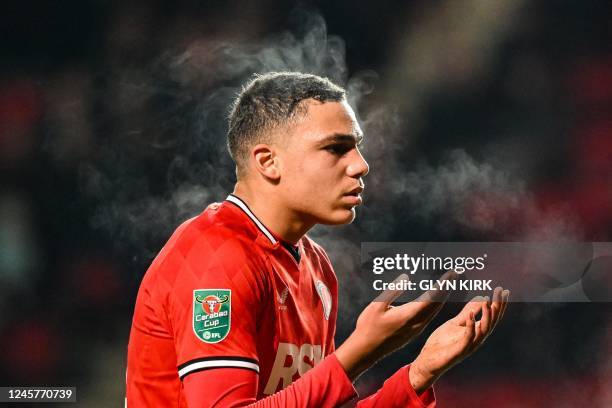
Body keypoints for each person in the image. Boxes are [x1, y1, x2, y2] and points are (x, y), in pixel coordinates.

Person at [126, 72, 509, 407]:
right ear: (267, 161)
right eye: (335, 148)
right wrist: (358, 353)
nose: (361, 164)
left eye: (356, 146)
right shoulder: (217, 256)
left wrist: (418, 375)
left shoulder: (317, 267)